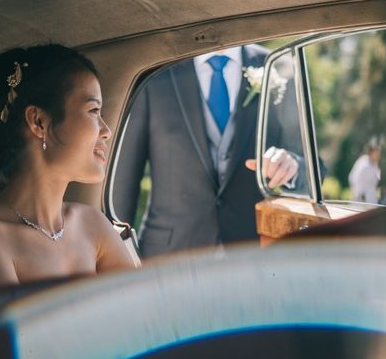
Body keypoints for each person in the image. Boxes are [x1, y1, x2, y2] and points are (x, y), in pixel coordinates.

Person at [0, 44, 136, 294]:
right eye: (93, 111)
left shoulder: (93, 225)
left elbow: (147, 320)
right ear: (38, 121)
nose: (106, 131)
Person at [112, 45, 298, 258]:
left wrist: (292, 166)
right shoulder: (154, 70)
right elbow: (123, 181)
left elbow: (311, 167)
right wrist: (116, 256)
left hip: (252, 253)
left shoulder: (276, 64)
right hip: (169, 257)